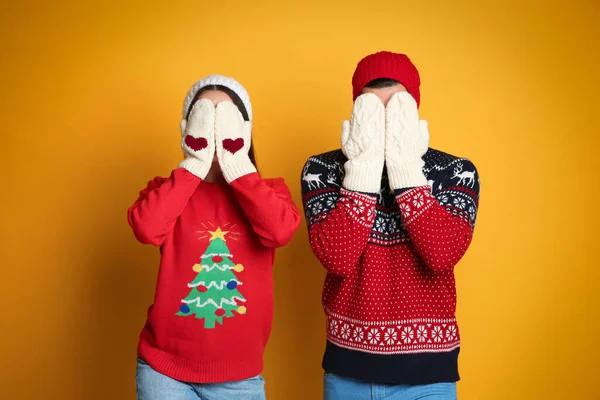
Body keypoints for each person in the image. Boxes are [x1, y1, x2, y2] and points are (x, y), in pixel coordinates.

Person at [301, 51, 480, 399]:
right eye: (372, 111)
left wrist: (404, 166)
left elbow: (441, 254)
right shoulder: (321, 170)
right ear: (356, 110)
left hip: (429, 376)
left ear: (414, 110)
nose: (384, 122)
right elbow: (337, 257)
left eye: (395, 109)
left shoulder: (456, 171)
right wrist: (364, 167)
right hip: (347, 372)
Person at [128, 74, 301, 400]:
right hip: (163, 370)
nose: (216, 127)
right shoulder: (167, 189)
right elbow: (147, 228)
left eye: (226, 118)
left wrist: (236, 164)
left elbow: (280, 231)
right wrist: (195, 164)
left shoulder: (269, 192)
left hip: (239, 377)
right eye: (206, 116)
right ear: (189, 128)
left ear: (243, 129)